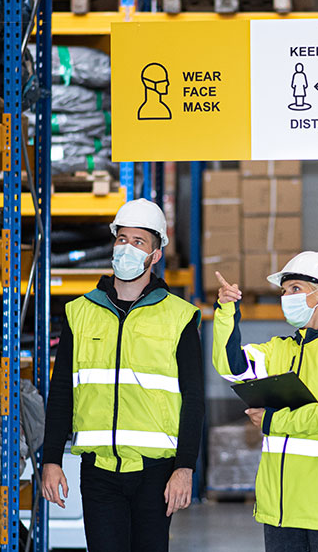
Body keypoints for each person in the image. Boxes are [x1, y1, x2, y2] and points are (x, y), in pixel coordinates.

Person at [40, 198, 203, 552]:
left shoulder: (180, 317)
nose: (127, 248)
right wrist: (51, 459)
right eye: (122, 239)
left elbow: (194, 399)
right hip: (98, 472)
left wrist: (185, 468)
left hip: (156, 473)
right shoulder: (79, 313)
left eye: (139, 241)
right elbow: (62, 391)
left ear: (155, 255)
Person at [213, 252, 318, 552]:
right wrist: (226, 312)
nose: (286, 297)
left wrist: (274, 421)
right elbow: (230, 366)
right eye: (284, 291)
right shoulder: (278, 349)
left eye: (295, 289)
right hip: (279, 508)